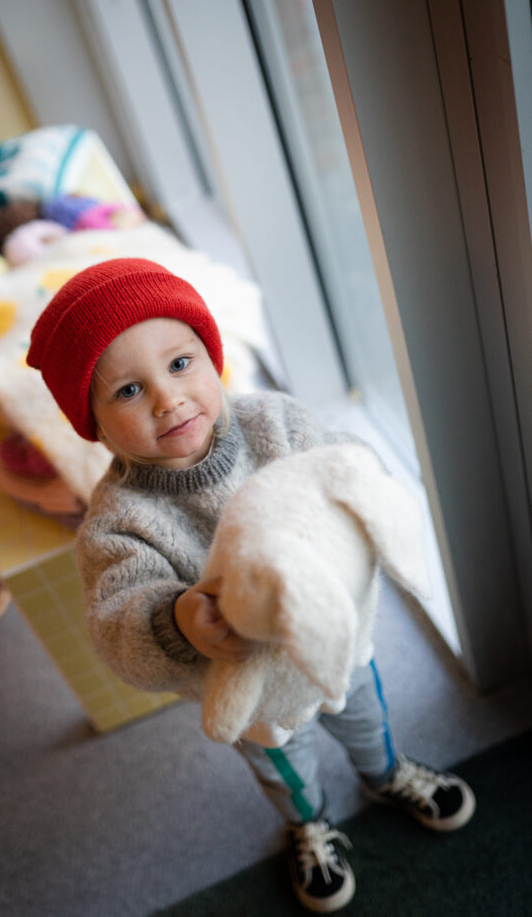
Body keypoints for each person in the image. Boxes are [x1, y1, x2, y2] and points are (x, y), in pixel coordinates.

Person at [27, 257, 475, 913]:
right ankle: (307, 824)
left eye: (181, 363)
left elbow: (346, 465)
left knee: (368, 718)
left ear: (212, 357)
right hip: (253, 692)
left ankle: (385, 775)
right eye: (129, 390)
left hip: (335, 640)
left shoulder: (274, 423)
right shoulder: (117, 524)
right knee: (284, 769)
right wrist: (176, 619)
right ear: (90, 421)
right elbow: (115, 625)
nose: (168, 399)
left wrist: (358, 508)